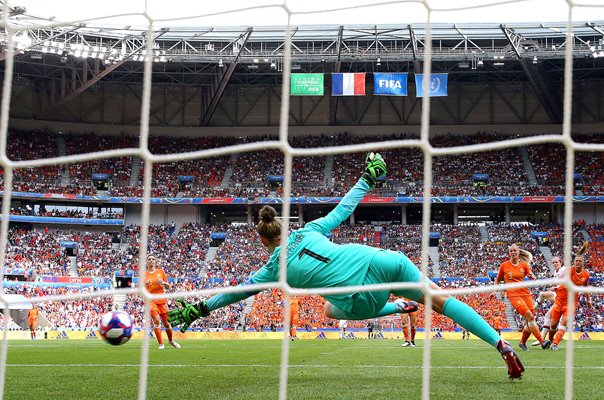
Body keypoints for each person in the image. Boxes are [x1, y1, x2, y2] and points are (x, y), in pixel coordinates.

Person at [169, 153, 525, 379]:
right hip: (380, 259)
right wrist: (367, 179)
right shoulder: (308, 229)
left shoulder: (272, 269)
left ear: (263, 241)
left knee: (327, 308)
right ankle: (501, 345)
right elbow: (342, 209)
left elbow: (235, 294)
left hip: (360, 295)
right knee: (442, 301)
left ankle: (394, 305)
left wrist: (198, 309)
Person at [496, 244, 550, 351]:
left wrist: (533, 277)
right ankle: (542, 341)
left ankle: (522, 343)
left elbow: (530, 275)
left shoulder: (524, 265)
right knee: (529, 316)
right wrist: (495, 289)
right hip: (514, 295)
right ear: (509, 253)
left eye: (515, 250)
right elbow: (498, 279)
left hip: (525, 293)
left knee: (530, 320)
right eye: (511, 251)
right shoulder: (504, 266)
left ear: (518, 252)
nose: (513, 252)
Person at [548, 245, 592, 350]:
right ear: (574, 262)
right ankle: (550, 340)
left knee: (564, 322)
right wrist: (556, 286)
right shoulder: (569, 271)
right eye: (576, 261)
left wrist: (589, 300)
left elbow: (586, 288)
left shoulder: (586, 275)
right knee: (553, 324)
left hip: (571, 302)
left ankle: (555, 344)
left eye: (580, 261)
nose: (578, 262)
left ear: (583, 263)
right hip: (560, 299)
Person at [144, 255, 181, 350]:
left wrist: (163, 283)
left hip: (162, 300)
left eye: (153, 259)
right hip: (151, 300)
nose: (151, 261)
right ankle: (161, 344)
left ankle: (171, 341)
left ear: (155, 262)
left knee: (167, 324)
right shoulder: (144, 274)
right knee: (156, 320)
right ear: (147, 262)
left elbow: (168, 286)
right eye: (149, 259)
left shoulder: (161, 272)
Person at [531, 256, 565, 346]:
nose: (554, 264)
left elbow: (567, 282)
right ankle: (545, 339)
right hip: (559, 296)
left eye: (556, 262)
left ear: (560, 262)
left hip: (564, 298)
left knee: (551, 318)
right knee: (547, 316)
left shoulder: (563, 270)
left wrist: (556, 287)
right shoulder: (556, 272)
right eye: (553, 262)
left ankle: (534, 309)